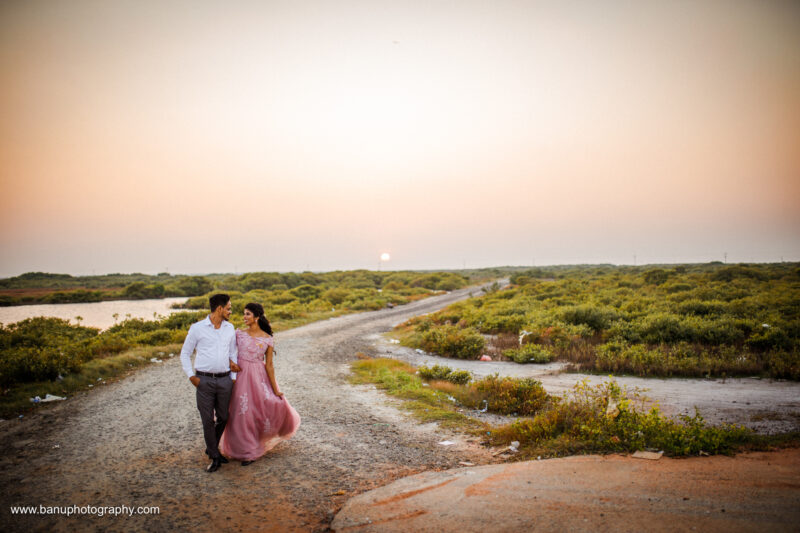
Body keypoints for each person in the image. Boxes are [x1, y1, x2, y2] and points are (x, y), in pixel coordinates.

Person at [220, 302, 300, 465]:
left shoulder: (268, 339)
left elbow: (269, 365)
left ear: (257, 317)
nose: (244, 317)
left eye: (248, 314)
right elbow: (226, 351)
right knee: (239, 411)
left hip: (258, 376)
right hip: (239, 375)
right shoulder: (238, 334)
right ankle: (241, 447)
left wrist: (276, 389)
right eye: (244, 314)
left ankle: (250, 450)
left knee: (257, 410)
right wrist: (229, 363)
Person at [180, 293, 241, 473]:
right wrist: (192, 376)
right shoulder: (197, 328)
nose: (231, 311)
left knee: (223, 417)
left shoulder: (230, 328)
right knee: (207, 420)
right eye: (228, 308)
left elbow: (232, 353)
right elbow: (185, 353)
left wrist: (233, 379)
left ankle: (211, 447)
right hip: (203, 380)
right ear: (219, 309)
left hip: (225, 380)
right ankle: (215, 457)